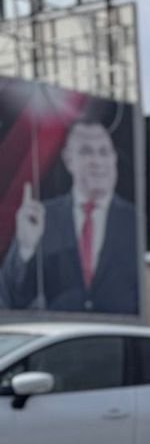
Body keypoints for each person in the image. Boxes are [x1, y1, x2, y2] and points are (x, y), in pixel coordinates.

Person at [0, 119, 139, 314]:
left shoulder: (135, 222)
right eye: (86, 151)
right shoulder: (40, 218)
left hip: (115, 334)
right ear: (68, 160)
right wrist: (26, 248)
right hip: (59, 333)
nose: (97, 161)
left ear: (114, 158)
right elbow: (11, 298)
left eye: (104, 152)